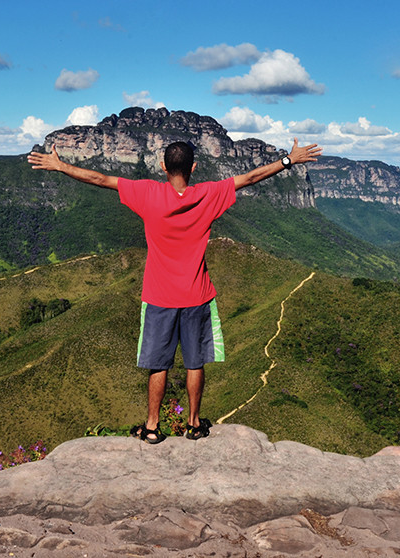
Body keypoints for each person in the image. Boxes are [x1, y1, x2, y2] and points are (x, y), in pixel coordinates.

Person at [28, 137, 322, 443]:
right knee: (195, 362)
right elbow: (250, 177)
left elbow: (100, 178)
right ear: (193, 167)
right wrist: (289, 160)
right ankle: (194, 424)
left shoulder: (147, 192)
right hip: (197, 295)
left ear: (163, 167)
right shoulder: (208, 194)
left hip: (159, 297)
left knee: (158, 364)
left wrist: (60, 166)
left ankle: (152, 427)